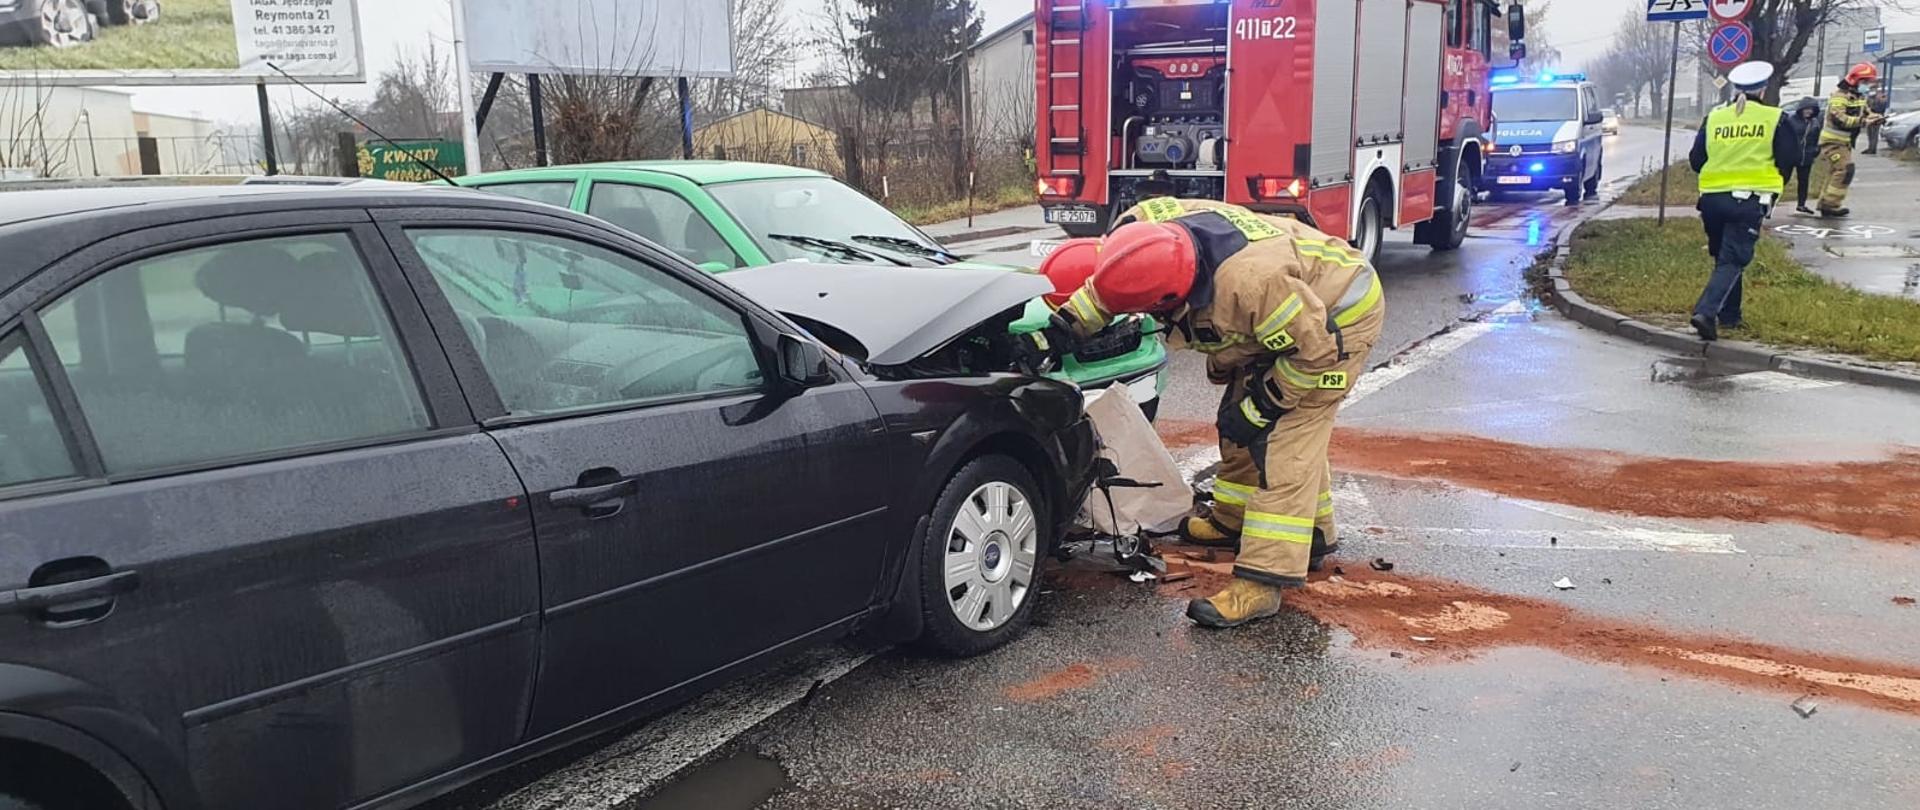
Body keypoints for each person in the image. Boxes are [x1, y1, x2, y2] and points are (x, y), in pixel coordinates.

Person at [1048, 199, 1383, 629]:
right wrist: (1061, 330)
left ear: (1173, 299)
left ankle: (1263, 583)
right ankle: (1262, 525)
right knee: (1235, 420)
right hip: (1286, 318)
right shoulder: (1138, 234)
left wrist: (1265, 404)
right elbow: (1108, 289)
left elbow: (1312, 355)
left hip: (1335, 322)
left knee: (1280, 439)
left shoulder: (1253, 284)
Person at [1687, 61, 1799, 342]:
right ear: (1763, 89)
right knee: (1734, 258)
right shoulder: (1775, 118)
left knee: (1724, 258)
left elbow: (1696, 160)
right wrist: (1775, 183)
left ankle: (1730, 315)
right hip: (1749, 199)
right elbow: (1789, 159)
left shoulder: (1715, 118)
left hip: (1712, 199)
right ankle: (1706, 312)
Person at [1814, 63, 1884, 217]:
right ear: (1855, 80)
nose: (1867, 86)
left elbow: (1866, 113)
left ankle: (1825, 203)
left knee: (1836, 171)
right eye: (1865, 82)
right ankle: (1830, 205)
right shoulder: (1839, 97)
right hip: (1832, 141)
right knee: (1845, 170)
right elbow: (1840, 119)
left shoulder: (1859, 97)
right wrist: (1864, 122)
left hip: (1843, 142)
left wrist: (1876, 118)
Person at [1783, 98, 1823, 214]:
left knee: (1804, 181)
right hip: (1791, 155)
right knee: (1784, 179)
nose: (1809, 111)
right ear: (1801, 108)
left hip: (1807, 155)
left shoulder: (1814, 122)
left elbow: (1816, 138)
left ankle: (1801, 204)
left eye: (1811, 109)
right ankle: (1771, 202)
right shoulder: (1791, 120)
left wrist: (1816, 150)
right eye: (1806, 109)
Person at [1865, 90, 1890, 155]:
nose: (1877, 95)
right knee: (1870, 134)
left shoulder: (1882, 100)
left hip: (1877, 119)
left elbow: (1878, 109)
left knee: (1874, 135)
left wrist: (1870, 109)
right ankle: (1870, 148)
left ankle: (1872, 149)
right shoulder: (1876, 100)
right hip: (1872, 118)